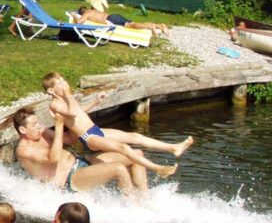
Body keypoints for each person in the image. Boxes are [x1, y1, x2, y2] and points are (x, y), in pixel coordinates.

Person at [43, 72, 191, 178]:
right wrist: (68, 94)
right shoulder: (55, 104)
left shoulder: (66, 99)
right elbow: (73, 113)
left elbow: (79, 112)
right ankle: (157, 168)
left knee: (134, 136)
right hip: (89, 137)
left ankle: (173, 148)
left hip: (96, 130)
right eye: (59, 83)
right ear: (51, 90)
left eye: (63, 80)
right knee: (123, 148)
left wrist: (96, 102)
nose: (64, 84)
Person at [14, 107, 140, 194]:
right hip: (70, 179)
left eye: (38, 122)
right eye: (34, 124)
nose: (39, 126)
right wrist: (58, 126)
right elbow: (54, 159)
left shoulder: (41, 132)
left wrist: (71, 120)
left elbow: (70, 139)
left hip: (81, 162)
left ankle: (145, 201)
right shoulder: (24, 151)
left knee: (136, 156)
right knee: (118, 169)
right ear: (23, 130)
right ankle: (133, 208)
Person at [74, 5, 170, 36]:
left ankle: (150, 27)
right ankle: (160, 26)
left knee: (132, 26)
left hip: (111, 19)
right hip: (114, 16)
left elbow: (79, 22)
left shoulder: (87, 13)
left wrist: (74, 16)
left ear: (82, 12)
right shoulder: (94, 10)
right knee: (134, 23)